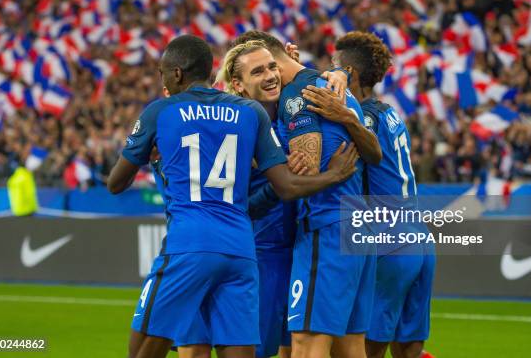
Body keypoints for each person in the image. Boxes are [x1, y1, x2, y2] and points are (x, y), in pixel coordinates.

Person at [107, 35, 360, 358]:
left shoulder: (162, 111)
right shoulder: (250, 113)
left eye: (163, 72)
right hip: (241, 249)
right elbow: (286, 186)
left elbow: (116, 183)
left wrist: (153, 157)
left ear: (177, 75)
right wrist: (334, 175)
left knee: (148, 349)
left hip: (190, 242)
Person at [232, 30, 381, 358]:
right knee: (350, 345)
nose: (269, 77)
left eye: (268, 68)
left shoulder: (296, 96)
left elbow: (306, 171)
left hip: (325, 225)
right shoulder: (334, 86)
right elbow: (375, 153)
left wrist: (267, 154)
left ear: (274, 60)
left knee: (306, 342)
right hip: (360, 223)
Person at [303, 31, 435, 358]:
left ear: (352, 74)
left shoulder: (366, 118)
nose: (329, 73)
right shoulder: (389, 113)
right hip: (418, 238)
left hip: (387, 241)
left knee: (358, 349)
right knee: (409, 350)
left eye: (335, 66)